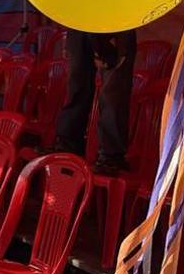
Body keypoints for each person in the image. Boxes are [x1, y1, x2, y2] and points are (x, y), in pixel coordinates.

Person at [53, 29, 138, 172]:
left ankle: (111, 156)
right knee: (76, 81)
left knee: (113, 90)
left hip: (117, 17)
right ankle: (68, 143)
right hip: (80, 17)